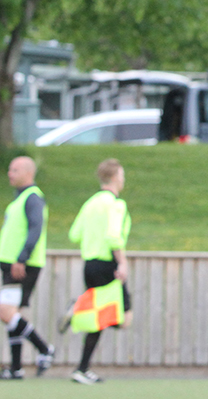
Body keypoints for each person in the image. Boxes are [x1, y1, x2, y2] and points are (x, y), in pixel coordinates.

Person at [66, 158, 131, 385]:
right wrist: (122, 263)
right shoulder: (115, 204)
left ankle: (82, 368)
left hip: (89, 265)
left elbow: (74, 234)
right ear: (114, 178)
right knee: (123, 318)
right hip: (107, 265)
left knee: (103, 317)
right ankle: (77, 310)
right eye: (121, 175)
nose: (123, 180)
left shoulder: (91, 203)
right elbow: (114, 235)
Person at [0, 157, 52, 378]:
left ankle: (44, 348)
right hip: (12, 264)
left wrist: (22, 257)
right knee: (13, 315)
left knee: (5, 311)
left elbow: (35, 229)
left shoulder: (33, 198)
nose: (10, 173)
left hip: (23, 265)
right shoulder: (18, 199)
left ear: (28, 173)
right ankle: (16, 367)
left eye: (15, 169)